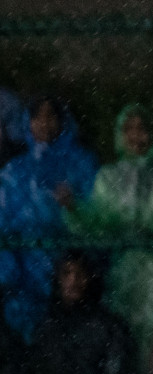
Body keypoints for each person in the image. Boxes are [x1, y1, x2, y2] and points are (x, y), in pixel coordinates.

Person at [66, 103, 153, 356]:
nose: (136, 137)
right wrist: (75, 210)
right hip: (123, 273)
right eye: (128, 129)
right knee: (122, 339)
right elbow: (100, 226)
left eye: (142, 129)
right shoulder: (108, 177)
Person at [0, 97, 98, 341]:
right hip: (22, 274)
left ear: (62, 120)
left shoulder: (82, 163)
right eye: (37, 116)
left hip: (70, 271)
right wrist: (9, 273)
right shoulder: (14, 170)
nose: (44, 123)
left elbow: (98, 218)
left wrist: (74, 208)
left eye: (50, 116)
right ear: (27, 122)